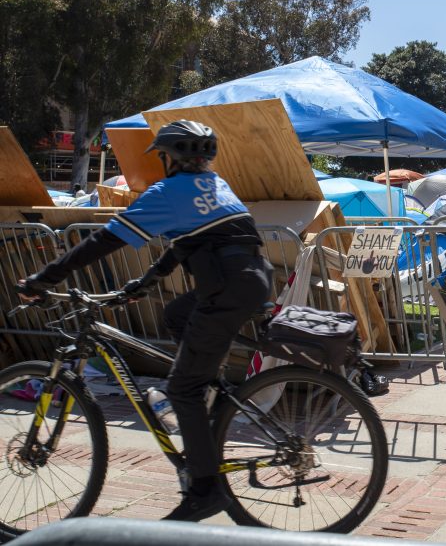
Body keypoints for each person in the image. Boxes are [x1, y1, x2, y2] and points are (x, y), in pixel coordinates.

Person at [17, 120, 272, 522]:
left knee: (182, 390)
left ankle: (205, 493)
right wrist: (146, 281)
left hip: (226, 288)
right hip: (251, 279)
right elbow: (187, 241)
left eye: (165, 156)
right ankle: (209, 387)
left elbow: (105, 240)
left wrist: (45, 277)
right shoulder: (215, 185)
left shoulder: (167, 192)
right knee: (176, 315)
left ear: (171, 159)